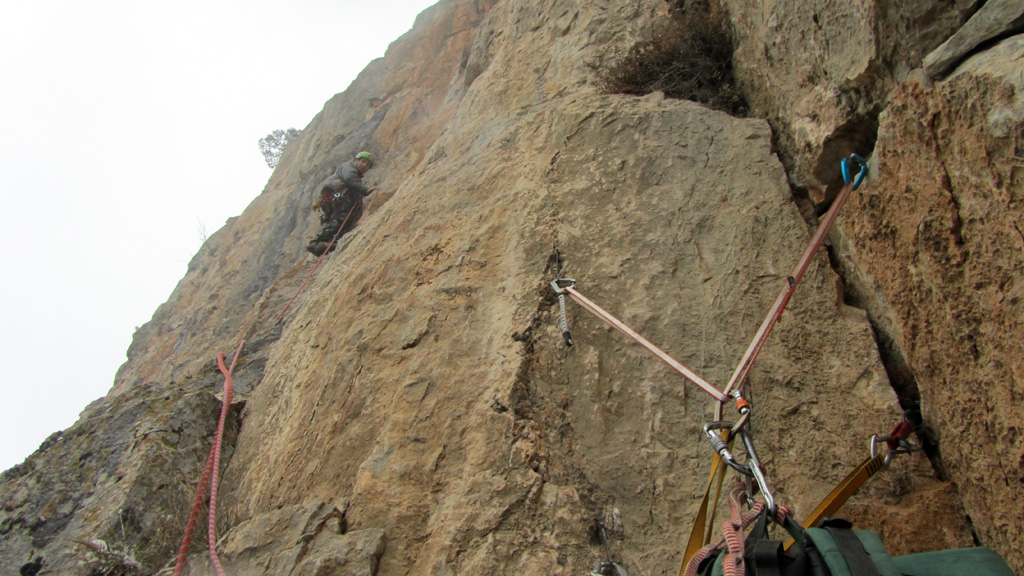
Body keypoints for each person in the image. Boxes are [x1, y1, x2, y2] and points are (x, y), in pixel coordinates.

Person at [306, 151, 377, 256]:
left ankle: (325, 242)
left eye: (367, 165)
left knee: (348, 213)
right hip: (336, 194)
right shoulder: (349, 167)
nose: (364, 165)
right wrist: (365, 190)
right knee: (343, 213)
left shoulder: (353, 173)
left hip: (333, 196)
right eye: (363, 162)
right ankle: (320, 241)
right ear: (356, 160)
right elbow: (350, 180)